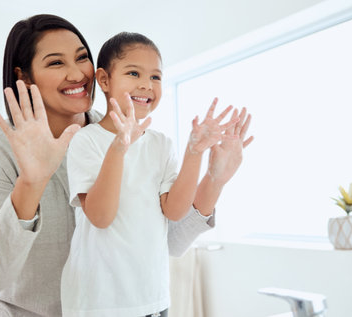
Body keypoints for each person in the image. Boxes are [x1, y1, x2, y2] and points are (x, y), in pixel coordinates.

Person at [0, 14, 253, 317]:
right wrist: (32, 181)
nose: (78, 74)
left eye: (81, 58)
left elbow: (167, 240)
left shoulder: (130, 135)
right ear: (24, 77)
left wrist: (214, 179)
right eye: (56, 63)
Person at [61, 32, 247, 317]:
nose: (147, 85)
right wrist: (118, 149)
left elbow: (174, 211)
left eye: (156, 77)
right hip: (97, 302)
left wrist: (194, 153)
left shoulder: (161, 144)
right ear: (105, 80)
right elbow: (101, 217)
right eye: (134, 72)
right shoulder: (86, 141)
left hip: (152, 299)